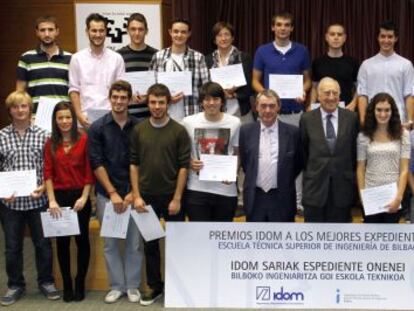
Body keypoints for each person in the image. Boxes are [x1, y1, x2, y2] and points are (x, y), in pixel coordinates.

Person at [130, 83, 191, 305]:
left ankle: (176, 286)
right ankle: (155, 286)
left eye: (161, 102)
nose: (157, 106)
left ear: (168, 103)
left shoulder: (179, 131)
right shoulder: (139, 130)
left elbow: (184, 167)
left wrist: (176, 198)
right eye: (153, 102)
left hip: (171, 197)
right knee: (151, 244)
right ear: (148, 103)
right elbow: (133, 164)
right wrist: (136, 195)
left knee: (176, 244)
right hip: (146, 198)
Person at [0, 91, 59, 306]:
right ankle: (15, 284)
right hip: (10, 203)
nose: (20, 110)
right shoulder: (1, 136)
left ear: (29, 108)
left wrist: (44, 187)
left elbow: (51, 168)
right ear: (10, 111)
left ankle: (46, 281)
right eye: (16, 107)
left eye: (24, 106)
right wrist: (2, 191)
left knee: (43, 243)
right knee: (12, 246)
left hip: (38, 200)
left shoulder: (44, 135)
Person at [88, 80, 143, 304]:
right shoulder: (97, 127)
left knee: (134, 242)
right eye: (115, 97)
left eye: (123, 98)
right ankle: (116, 285)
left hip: (133, 194)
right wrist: (112, 193)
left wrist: (131, 194)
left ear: (129, 100)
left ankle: (132, 285)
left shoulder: (140, 127)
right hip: (106, 194)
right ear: (109, 98)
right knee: (110, 243)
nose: (119, 101)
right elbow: (96, 162)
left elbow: (141, 162)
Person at [252, 12, 311, 214]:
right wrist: (268, 97)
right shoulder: (263, 51)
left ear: (292, 28)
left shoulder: (301, 50)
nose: (283, 28)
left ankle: (298, 201)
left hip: (295, 113)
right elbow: (255, 81)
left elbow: (308, 80)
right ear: (273, 28)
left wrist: (303, 91)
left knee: (293, 159)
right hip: (269, 115)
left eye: (287, 25)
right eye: (279, 24)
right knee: (268, 156)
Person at [44, 102, 94, 302]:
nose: (64, 121)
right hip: (59, 199)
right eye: (60, 118)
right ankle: (67, 284)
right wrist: (52, 200)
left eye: (68, 117)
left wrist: (84, 196)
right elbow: (47, 173)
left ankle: (80, 281)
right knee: (62, 243)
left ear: (73, 119)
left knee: (82, 241)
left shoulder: (84, 139)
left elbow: (90, 171)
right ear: (55, 121)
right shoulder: (50, 143)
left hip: (80, 198)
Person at [300, 77, 359, 222]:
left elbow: (354, 153)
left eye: (335, 93)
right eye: (327, 93)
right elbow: (303, 153)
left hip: (342, 191)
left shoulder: (351, 118)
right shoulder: (307, 119)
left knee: (341, 239)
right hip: (315, 190)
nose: (331, 97)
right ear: (318, 95)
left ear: (340, 95)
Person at [239, 89, 302, 221]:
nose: (267, 110)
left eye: (272, 106)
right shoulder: (246, 131)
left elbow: (297, 164)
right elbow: (247, 164)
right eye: (263, 106)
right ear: (256, 107)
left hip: (282, 198)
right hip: (255, 198)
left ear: (278, 107)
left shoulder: (293, 133)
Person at [182, 82, 240, 221]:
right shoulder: (188, 122)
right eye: (207, 99)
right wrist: (189, 162)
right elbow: (179, 152)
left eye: (215, 99)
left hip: (226, 190)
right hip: (196, 189)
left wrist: (233, 172)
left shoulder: (235, 122)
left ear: (222, 101)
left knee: (221, 239)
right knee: (200, 238)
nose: (211, 103)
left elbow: (238, 152)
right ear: (201, 102)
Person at [357, 93, 410, 223]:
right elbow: (360, 169)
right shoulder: (363, 136)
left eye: (387, 110)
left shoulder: (403, 135)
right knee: (371, 240)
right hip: (371, 196)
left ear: (393, 112)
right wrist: (363, 196)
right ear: (372, 111)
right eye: (379, 110)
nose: (383, 114)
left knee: (390, 240)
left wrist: (398, 197)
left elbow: (404, 170)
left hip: (394, 197)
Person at [69, 13, 125, 128]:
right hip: (85, 121)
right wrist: (79, 115)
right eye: (94, 31)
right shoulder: (77, 58)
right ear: (87, 32)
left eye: (101, 31)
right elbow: (74, 90)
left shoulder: (117, 58)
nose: (98, 35)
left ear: (106, 32)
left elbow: (121, 90)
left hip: (111, 119)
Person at [149, 19, 209, 121]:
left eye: (183, 32)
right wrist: (167, 97)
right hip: (164, 114)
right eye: (176, 31)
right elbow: (151, 87)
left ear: (189, 34)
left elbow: (206, 88)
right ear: (170, 32)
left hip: (191, 113)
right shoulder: (158, 57)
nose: (179, 35)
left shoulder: (198, 58)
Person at [357, 20, 414, 127]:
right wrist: (363, 120)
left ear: (395, 38)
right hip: (373, 120)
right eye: (383, 36)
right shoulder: (366, 65)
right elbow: (362, 95)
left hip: (399, 120)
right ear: (378, 38)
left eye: (390, 36)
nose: (386, 40)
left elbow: (409, 94)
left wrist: (410, 121)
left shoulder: (406, 65)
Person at [16, 15, 71, 112]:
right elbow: (20, 93)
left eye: (50, 30)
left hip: (63, 118)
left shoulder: (70, 58)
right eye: (42, 30)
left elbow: (74, 91)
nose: (47, 34)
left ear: (57, 31)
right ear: (37, 32)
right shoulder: (26, 58)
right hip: (35, 117)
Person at [205, 22, 253, 123]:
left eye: (227, 34)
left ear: (232, 38)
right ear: (215, 39)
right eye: (219, 35)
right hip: (215, 111)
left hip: (240, 111)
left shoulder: (244, 58)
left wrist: (233, 94)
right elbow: (205, 85)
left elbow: (249, 86)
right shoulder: (207, 60)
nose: (223, 38)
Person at [117, 13, 158, 121]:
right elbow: (116, 85)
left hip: (151, 115)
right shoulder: (118, 56)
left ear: (146, 31)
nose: (137, 33)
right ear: (128, 31)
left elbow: (159, 85)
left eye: (141, 29)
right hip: (126, 116)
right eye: (133, 29)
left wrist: (148, 96)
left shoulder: (156, 55)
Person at [311, 23, 359, 110]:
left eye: (339, 34)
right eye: (332, 34)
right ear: (326, 37)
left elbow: (358, 87)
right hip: (322, 109)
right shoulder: (318, 62)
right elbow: (314, 87)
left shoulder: (353, 62)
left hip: (347, 109)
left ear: (344, 38)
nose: (336, 37)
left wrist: (353, 104)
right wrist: (312, 105)